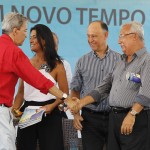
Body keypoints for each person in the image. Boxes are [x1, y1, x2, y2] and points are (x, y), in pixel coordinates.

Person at [67, 21, 150, 150]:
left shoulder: (147, 60)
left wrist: (132, 114)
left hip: (133, 119)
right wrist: (80, 104)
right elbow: (103, 88)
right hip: (113, 119)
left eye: (122, 36)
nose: (119, 41)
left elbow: (146, 92)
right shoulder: (121, 61)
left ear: (134, 36)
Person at [0, 12, 69, 150]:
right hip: (25, 113)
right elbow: (37, 80)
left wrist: (56, 102)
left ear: (44, 40)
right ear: (15, 31)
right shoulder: (15, 53)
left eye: (33, 36)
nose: (27, 37)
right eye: (26, 31)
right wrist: (64, 96)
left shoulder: (58, 64)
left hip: (50, 112)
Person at [70, 20, 121, 150]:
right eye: (88, 36)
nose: (90, 39)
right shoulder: (82, 61)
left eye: (94, 36)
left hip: (114, 117)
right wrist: (75, 114)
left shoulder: (120, 60)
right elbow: (75, 90)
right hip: (89, 118)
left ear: (106, 35)